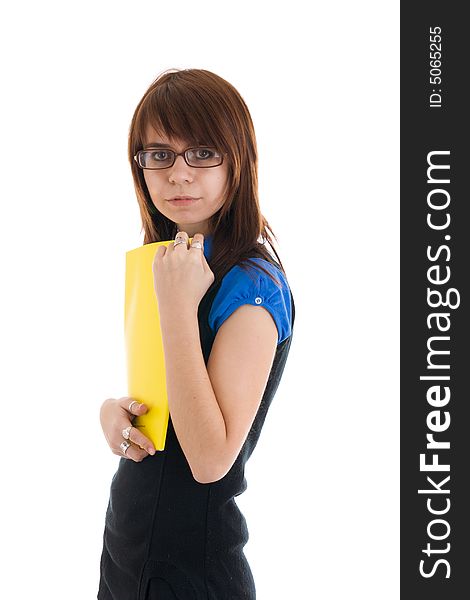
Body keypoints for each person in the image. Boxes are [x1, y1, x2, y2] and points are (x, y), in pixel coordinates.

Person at [97, 68, 295, 600]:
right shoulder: (167, 262)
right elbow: (172, 398)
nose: (179, 174)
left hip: (192, 574)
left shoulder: (252, 283)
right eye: (159, 154)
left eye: (202, 152)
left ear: (238, 160)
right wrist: (118, 412)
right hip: (125, 552)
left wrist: (176, 309)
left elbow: (209, 461)